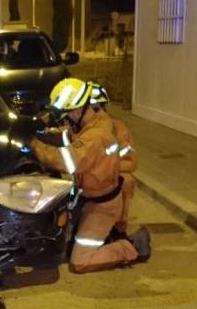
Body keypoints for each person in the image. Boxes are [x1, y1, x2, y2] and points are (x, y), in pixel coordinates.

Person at [30, 78, 150, 274]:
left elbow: (66, 161)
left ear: (78, 111)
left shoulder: (96, 137)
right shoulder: (94, 124)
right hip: (88, 198)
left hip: (101, 206)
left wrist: (35, 144)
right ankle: (106, 235)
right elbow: (68, 137)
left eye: (66, 116)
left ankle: (132, 247)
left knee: (80, 261)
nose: (64, 122)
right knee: (62, 244)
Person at [88, 82, 137, 236]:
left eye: (98, 107)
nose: (97, 112)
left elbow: (131, 162)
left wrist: (106, 168)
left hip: (107, 178)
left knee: (127, 181)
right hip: (86, 181)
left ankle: (119, 225)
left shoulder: (118, 128)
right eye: (92, 108)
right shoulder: (77, 129)